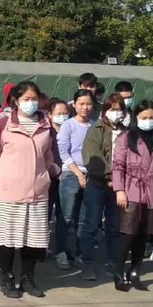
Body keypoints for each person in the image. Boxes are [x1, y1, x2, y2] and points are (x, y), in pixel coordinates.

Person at [0, 81, 61, 299]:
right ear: (16, 101)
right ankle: (7, 279)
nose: (30, 103)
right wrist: (1, 178)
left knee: (33, 240)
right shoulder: (4, 124)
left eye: (34, 99)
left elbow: (51, 156)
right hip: (9, 193)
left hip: (37, 193)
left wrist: (47, 174)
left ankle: (28, 278)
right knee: (7, 239)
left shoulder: (46, 125)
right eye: (26, 99)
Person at [112, 100, 153, 291]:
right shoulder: (126, 138)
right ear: (136, 118)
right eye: (144, 117)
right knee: (128, 234)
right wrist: (119, 190)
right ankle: (118, 271)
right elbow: (118, 166)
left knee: (143, 235)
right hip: (131, 191)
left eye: (152, 117)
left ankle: (135, 271)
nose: (148, 121)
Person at [79, 93, 129, 281]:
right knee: (91, 224)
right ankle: (87, 263)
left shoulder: (127, 132)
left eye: (119, 109)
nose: (116, 113)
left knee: (114, 226)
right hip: (98, 184)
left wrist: (119, 181)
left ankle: (113, 262)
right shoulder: (96, 130)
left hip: (119, 187)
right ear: (105, 111)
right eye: (112, 109)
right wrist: (110, 176)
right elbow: (92, 156)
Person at [55, 89, 94, 270]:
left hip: (91, 175)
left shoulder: (95, 125)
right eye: (81, 104)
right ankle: (62, 251)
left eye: (88, 104)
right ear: (75, 105)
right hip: (71, 174)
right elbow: (63, 151)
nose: (85, 107)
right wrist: (78, 174)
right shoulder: (68, 125)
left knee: (84, 218)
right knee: (67, 216)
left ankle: (78, 252)